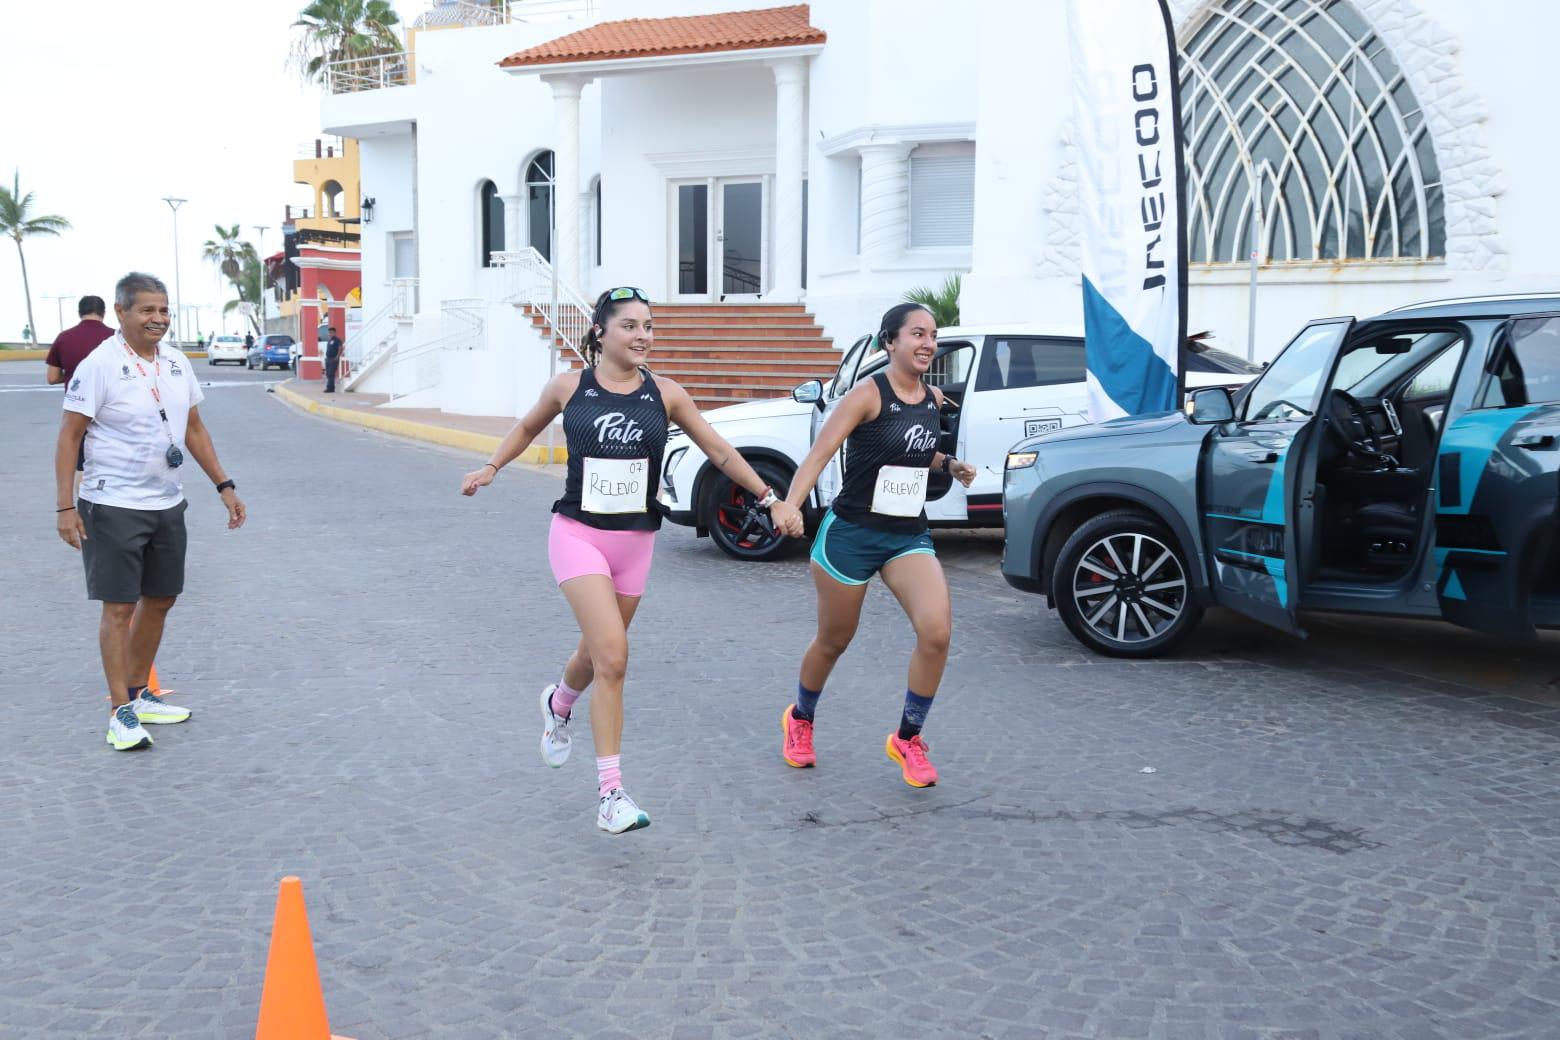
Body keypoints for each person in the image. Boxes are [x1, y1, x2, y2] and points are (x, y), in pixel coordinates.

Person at [461, 287, 803, 833]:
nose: (643, 335)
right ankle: (611, 794)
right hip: (578, 535)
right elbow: (527, 427)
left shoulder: (665, 394)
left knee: (595, 655)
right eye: (630, 325)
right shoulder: (569, 386)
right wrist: (491, 466)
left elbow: (719, 449)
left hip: (636, 541)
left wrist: (770, 497)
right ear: (600, 331)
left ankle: (558, 702)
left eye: (649, 326)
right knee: (615, 658)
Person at [776, 303, 976, 787]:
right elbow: (820, 453)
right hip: (852, 535)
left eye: (933, 334)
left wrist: (949, 465)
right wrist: (789, 505)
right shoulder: (867, 394)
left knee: (937, 633)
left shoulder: (931, 397)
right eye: (916, 333)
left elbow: (911, 448)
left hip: (907, 535)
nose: (928, 342)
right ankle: (800, 718)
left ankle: (907, 738)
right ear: (890, 341)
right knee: (834, 640)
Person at [55, 272, 247, 752]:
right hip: (112, 503)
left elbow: (195, 429)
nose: (158, 319)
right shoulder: (99, 365)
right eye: (147, 310)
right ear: (121, 313)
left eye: (164, 310)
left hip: (166, 502)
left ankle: (139, 695)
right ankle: (119, 711)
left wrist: (223, 484)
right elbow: (69, 436)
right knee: (119, 608)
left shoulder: (178, 363)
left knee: (160, 599)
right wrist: (64, 505)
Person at [44, 296, 113, 386]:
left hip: (76, 398)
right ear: (103, 313)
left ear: (79, 313)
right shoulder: (117, 337)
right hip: (110, 398)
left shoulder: (63, 337)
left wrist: (73, 375)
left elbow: (52, 378)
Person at [324, 326, 343, 392]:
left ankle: (329, 388)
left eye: (331, 332)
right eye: (329, 332)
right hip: (328, 358)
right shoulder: (330, 340)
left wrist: (337, 357)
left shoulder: (337, 340)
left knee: (331, 374)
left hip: (333, 359)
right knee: (328, 374)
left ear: (334, 333)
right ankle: (331, 388)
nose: (330, 334)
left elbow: (340, 348)